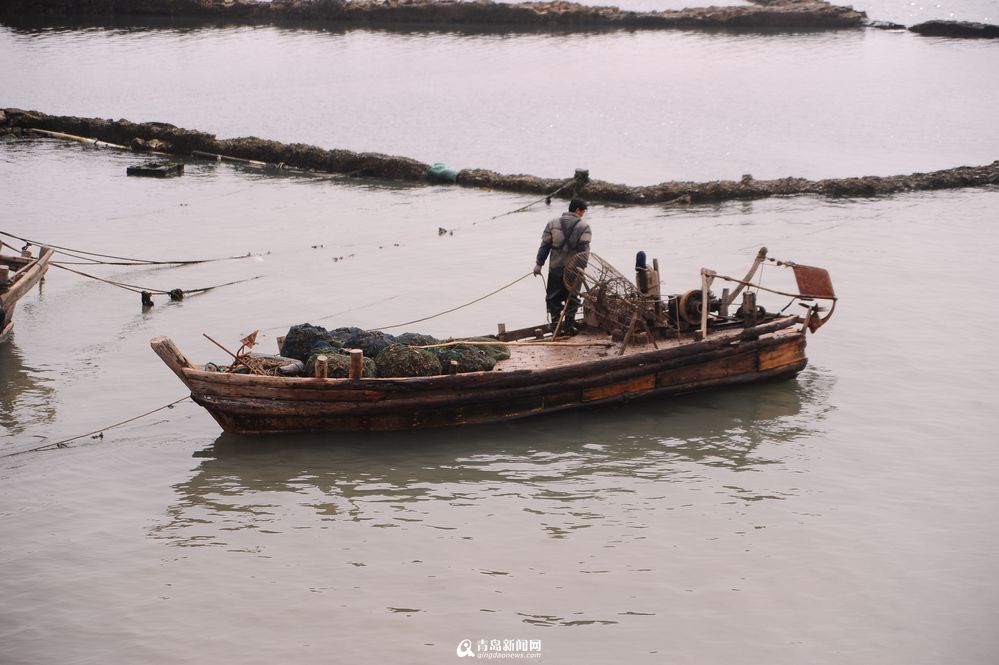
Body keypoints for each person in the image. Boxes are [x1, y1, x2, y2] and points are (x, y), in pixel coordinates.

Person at [533, 198, 591, 332]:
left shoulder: (552, 223)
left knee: (553, 298)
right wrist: (582, 269)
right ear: (577, 210)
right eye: (583, 212)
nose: (583, 215)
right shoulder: (584, 227)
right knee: (573, 298)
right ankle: (569, 326)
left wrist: (539, 264)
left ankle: (555, 327)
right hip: (574, 270)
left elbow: (545, 246)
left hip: (555, 269)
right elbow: (584, 252)